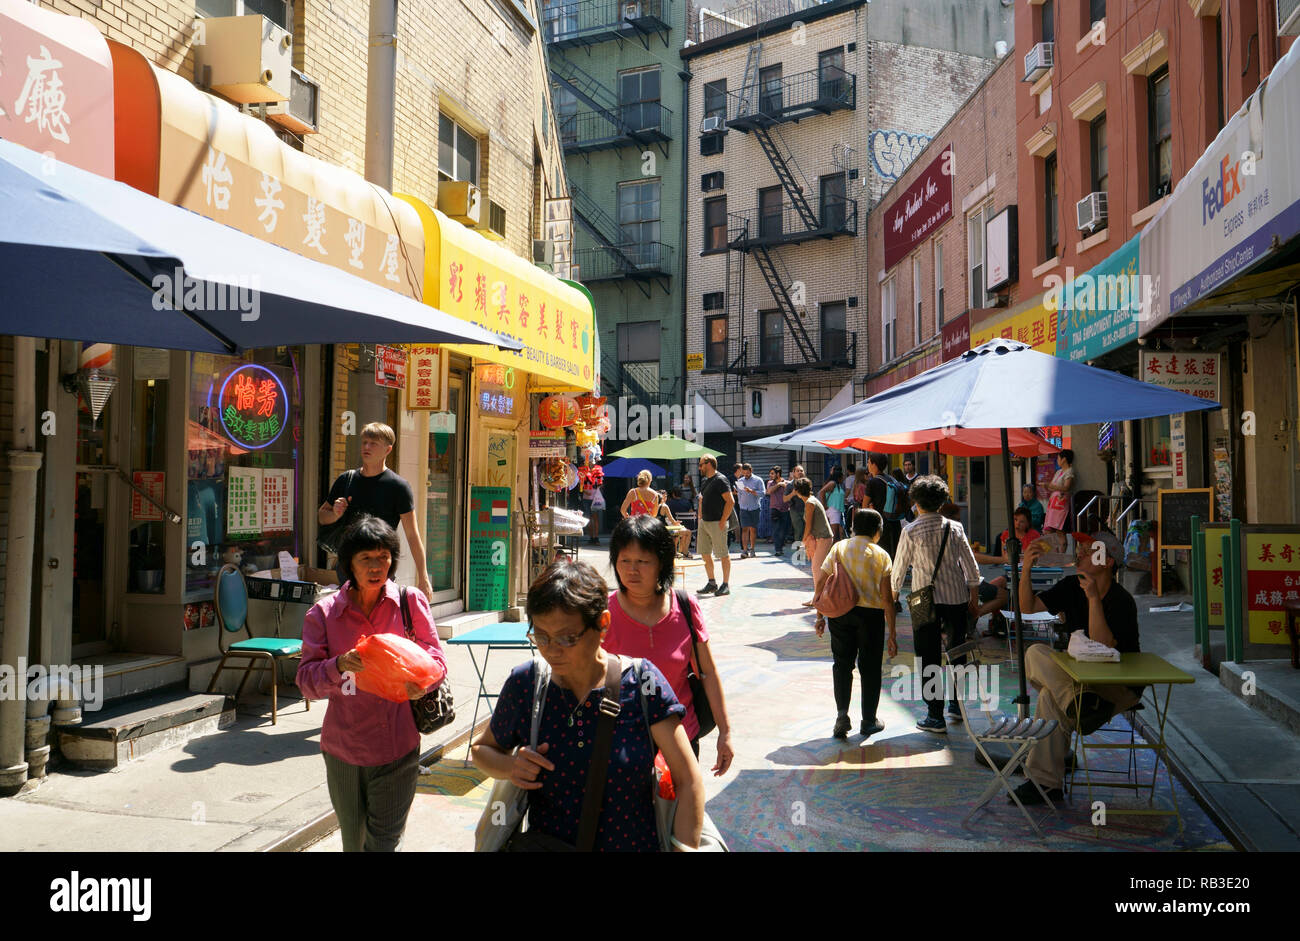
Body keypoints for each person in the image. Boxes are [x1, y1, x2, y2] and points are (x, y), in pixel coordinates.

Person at [471, 560, 705, 851]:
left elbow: (688, 780)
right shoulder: (527, 683)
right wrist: (510, 766)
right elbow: (482, 750)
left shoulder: (643, 683)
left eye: (567, 638)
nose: (552, 650)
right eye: (540, 636)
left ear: (602, 624)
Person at [296, 515, 447, 852]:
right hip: (343, 752)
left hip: (397, 748)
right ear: (349, 563)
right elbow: (306, 682)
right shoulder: (323, 614)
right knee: (355, 843)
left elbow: (437, 662)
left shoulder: (409, 603)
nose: (376, 565)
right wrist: (338, 665)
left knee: (382, 845)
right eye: (366, 558)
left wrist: (421, 682)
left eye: (384, 556)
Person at [1010, 530, 1140, 806]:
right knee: (1035, 652)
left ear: (1107, 561)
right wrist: (1026, 570)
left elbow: (1102, 647)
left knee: (1049, 696)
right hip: (1080, 684)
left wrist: (1093, 599)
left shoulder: (1122, 600)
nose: (1080, 552)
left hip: (1116, 685)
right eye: (1080, 548)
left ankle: (1045, 783)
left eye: (1089, 550)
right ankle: (1079, 704)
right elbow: (1028, 608)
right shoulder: (1071, 585)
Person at [605, 516, 734, 773]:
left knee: (681, 810)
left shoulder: (685, 607)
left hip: (681, 740)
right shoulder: (602, 613)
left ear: (662, 562)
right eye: (625, 561)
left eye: (642, 561)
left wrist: (725, 732)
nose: (632, 570)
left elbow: (707, 672)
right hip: (620, 742)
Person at [891, 475, 981, 734]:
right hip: (956, 599)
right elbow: (972, 571)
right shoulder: (955, 529)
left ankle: (934, 715)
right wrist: (973, 602)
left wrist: (893, 599)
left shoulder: (910, 531)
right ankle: (956, 705)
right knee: (957, 653)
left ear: (916, 502)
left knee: (928, 657)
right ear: (942, 502)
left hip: (922, 600)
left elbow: (898, 573)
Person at [319, 422, 432, 601]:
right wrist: (334, 513)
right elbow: (322, 517)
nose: (366, 447)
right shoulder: (346, 480)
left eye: (373, 443)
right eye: (364, 442)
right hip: (348, 563)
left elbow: (412, 535)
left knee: (377, 610)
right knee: (351, 612)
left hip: (381, 563)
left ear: (388, 450)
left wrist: (423, 577)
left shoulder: (398, 486)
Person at [811, 509, 897, 740]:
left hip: (839, 613)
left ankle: (842, 715)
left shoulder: (839, 547)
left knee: (842, 664)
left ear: (853, 528)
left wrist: (820, 615)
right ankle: (869, 720)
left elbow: (821, 581)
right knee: (870, 669)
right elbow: (887, 599)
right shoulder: (881, 555)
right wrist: (892, 635)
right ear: (876, 531)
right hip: (871, 618)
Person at [695, 454, 734, 596]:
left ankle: (725, 585)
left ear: (709, 464)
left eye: (701, 464)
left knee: (723, 554)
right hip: (704, 522)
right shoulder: (705, 481)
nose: (699, 467)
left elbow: (730, 502)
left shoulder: (721, 480)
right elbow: (702, 499)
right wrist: (700, 516)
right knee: (705, 553)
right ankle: (712, 583)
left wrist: (723, 520)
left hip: (717, 522)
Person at [793, 478, 834, 588]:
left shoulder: (810, 503)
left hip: (823, 537)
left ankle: (818, 596)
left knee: (816, 567)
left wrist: (803, 541)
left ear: (797, 491)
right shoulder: (811, 500)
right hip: (822, 537)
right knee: (818, 567)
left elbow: (808, 525)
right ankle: (819, 595)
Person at [865, 452, 906, 560]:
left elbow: (864, 506)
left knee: (881, 555)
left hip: (879, 524)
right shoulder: (891, 479)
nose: (867, 465)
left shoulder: (872, 482)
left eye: (869, 462)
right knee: (894, 554)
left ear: (874, 464)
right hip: (895, 520)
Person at [734, 463, 764, 559]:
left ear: (751, 471)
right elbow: (739, 493)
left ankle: (753, 549)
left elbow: (763, 493)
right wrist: (739, 501)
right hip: (744, 508)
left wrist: (752, 491)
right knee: (745, 529)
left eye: (747, 473)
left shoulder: (758, 480)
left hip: (754, 507)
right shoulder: (740, 481)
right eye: (744, 473)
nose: (745, 475)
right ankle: (744, 550)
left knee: (753, 529)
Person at [1042, 449, 1077, 533]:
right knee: (1050, 528)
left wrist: (1050, 486)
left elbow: (1066, 487)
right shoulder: (1058, 472)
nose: (1057, 461)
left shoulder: (1069, 471)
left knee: (1060, 530)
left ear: (1064, 459)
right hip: (1053, 503)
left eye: (1058, 458)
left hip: (1061, 503)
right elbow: (1052, 486)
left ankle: (1061, 546)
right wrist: (1047, 486)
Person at [767, 466, 791, 556]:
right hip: (774, 509)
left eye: (772, 473)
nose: (770, 475)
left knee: (784, 531)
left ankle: (780, 546)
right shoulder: (770, 483)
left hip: (785, 509)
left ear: (778, 474)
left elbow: (790, 493)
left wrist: (784, 486)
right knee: (776, 530)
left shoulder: (787, 483)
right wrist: (778, 485)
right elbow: (768, 491)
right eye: (770, 473)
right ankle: (778, 549)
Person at [820, 466, 847, 541]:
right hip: (833, 510)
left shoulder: (838, 485)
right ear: (838, 478)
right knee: (834, 534)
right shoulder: (833, 483)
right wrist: (824, 505)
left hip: (837, 510)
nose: (843, 479)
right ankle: (831, 550)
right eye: (842, 477)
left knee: (835, 533)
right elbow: (822, 492)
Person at [666, 486, 694, 557]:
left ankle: (682, 551)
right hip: (688, 525)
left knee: (682, 532)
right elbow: (691, 513)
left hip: (676, 525)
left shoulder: (669, 504)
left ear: (673, 494)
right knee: (686, 532)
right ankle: (684, 551)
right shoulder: (687, 502)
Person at [786, 465, 807, 545]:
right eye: (797, 471)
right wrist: (792, 493)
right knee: (799, 530)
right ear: (793, 473)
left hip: (807, 509)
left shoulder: (807, 483)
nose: (800, 472)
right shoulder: (790, 485)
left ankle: (807, 550)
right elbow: (785, 499)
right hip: (795, 510)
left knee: (807, 530)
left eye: (801, 471)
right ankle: (799, 551)